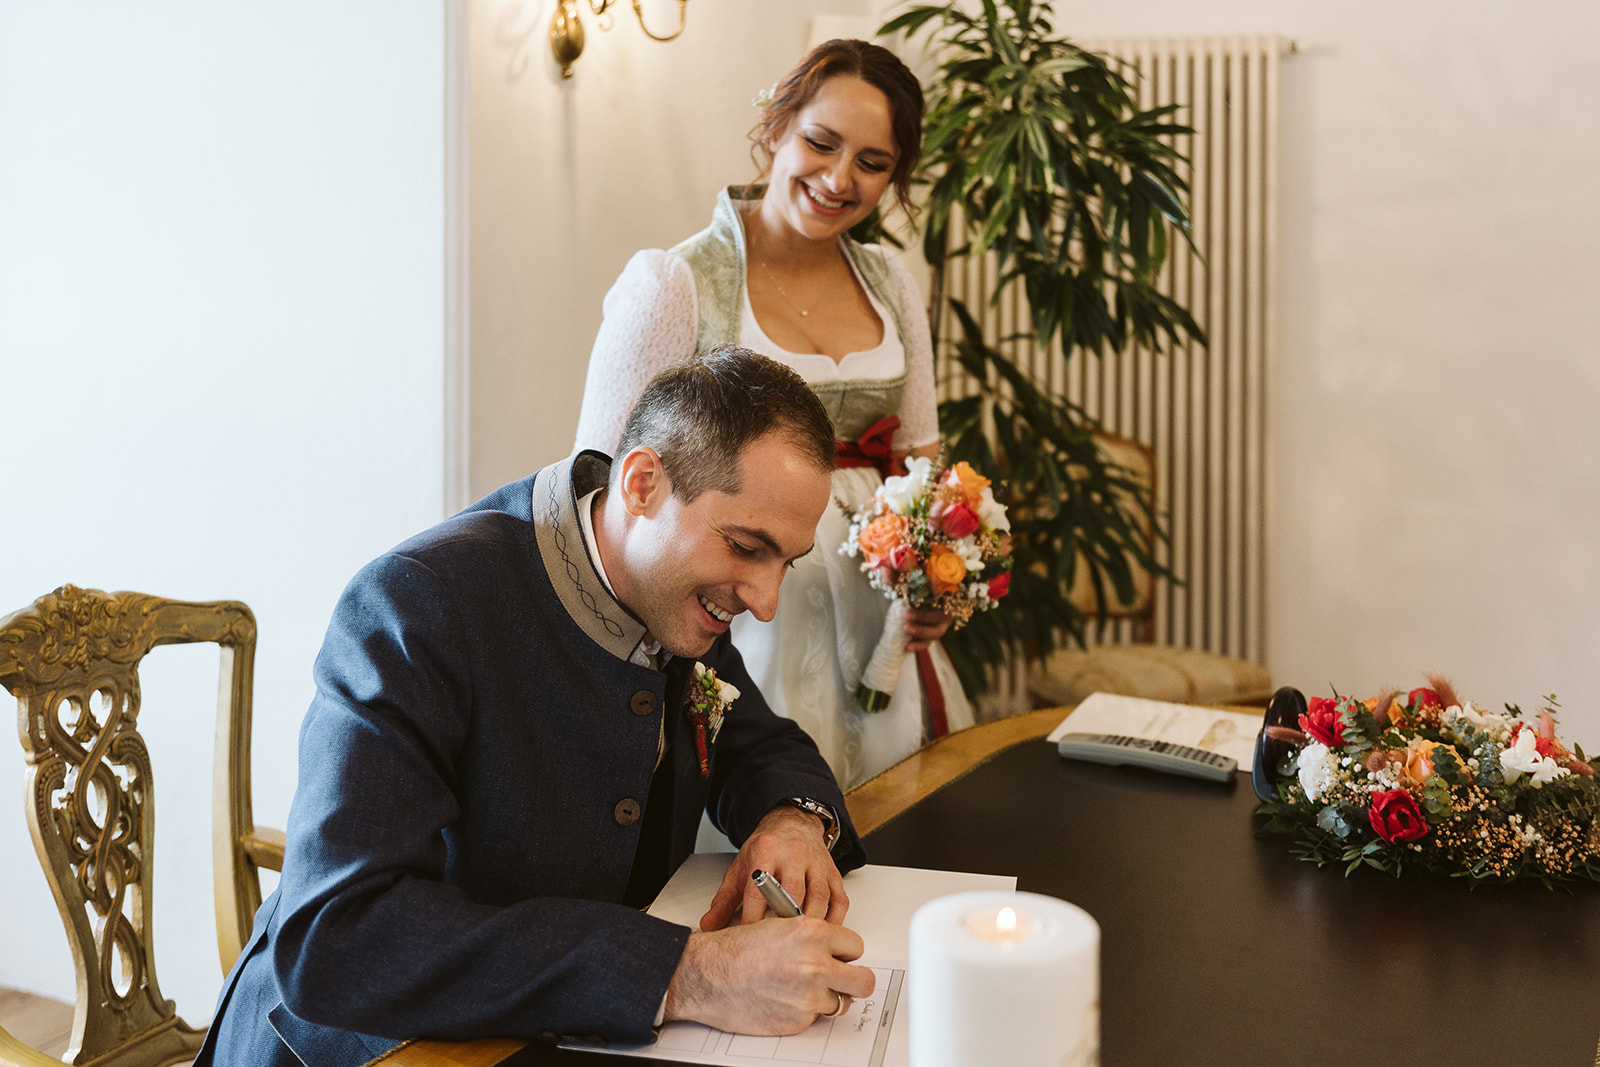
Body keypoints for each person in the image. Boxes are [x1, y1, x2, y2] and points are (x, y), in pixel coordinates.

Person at [195, 347, 877, 1066]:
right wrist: (687, 973)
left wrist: (796, 820)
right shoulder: (415, 604)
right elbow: (339, 936)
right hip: (375, 1047)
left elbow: (757, 742)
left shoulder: (669, 585)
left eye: (787, 562)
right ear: (643, 482)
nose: (766, 603)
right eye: (746, 547)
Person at [573, 39, 973, 792]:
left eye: (873, 162)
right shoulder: (676, 282)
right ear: (776, 126)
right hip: (742, 607)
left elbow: (927, 463)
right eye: (821, 143)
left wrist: (935, 586)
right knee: (760, 801)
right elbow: (596, 480)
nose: (839, 178)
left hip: (876, 618)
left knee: (893, 825)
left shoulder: (892, 282)